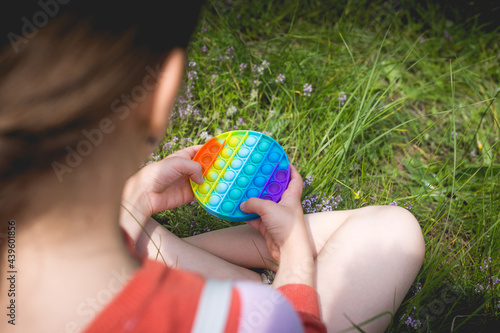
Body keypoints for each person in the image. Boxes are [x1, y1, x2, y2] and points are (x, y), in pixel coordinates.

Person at [0, 1, 425, 332]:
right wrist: (295, 259)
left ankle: (144, 244)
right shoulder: (236, 321)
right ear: (161, 93)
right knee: (394, 232)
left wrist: (131, 208)